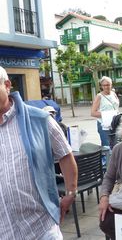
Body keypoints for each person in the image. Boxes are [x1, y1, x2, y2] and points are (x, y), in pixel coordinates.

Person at [0, 66, 78, 239]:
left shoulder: (39, 119)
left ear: (7, 85)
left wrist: (70, 192)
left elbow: (65, 154)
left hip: (40, 228)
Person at [91, 76, 120, 147]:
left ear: (111, 85)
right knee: (107, 147)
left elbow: (116, 107)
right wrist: (108, 115)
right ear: (101, 86)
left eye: (108, 85)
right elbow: (93, 113)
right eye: (104, 85)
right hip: (104, 125)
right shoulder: (99, 96)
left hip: (114, 123)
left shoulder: (113, 94)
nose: (106, 87)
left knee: (116, 145)